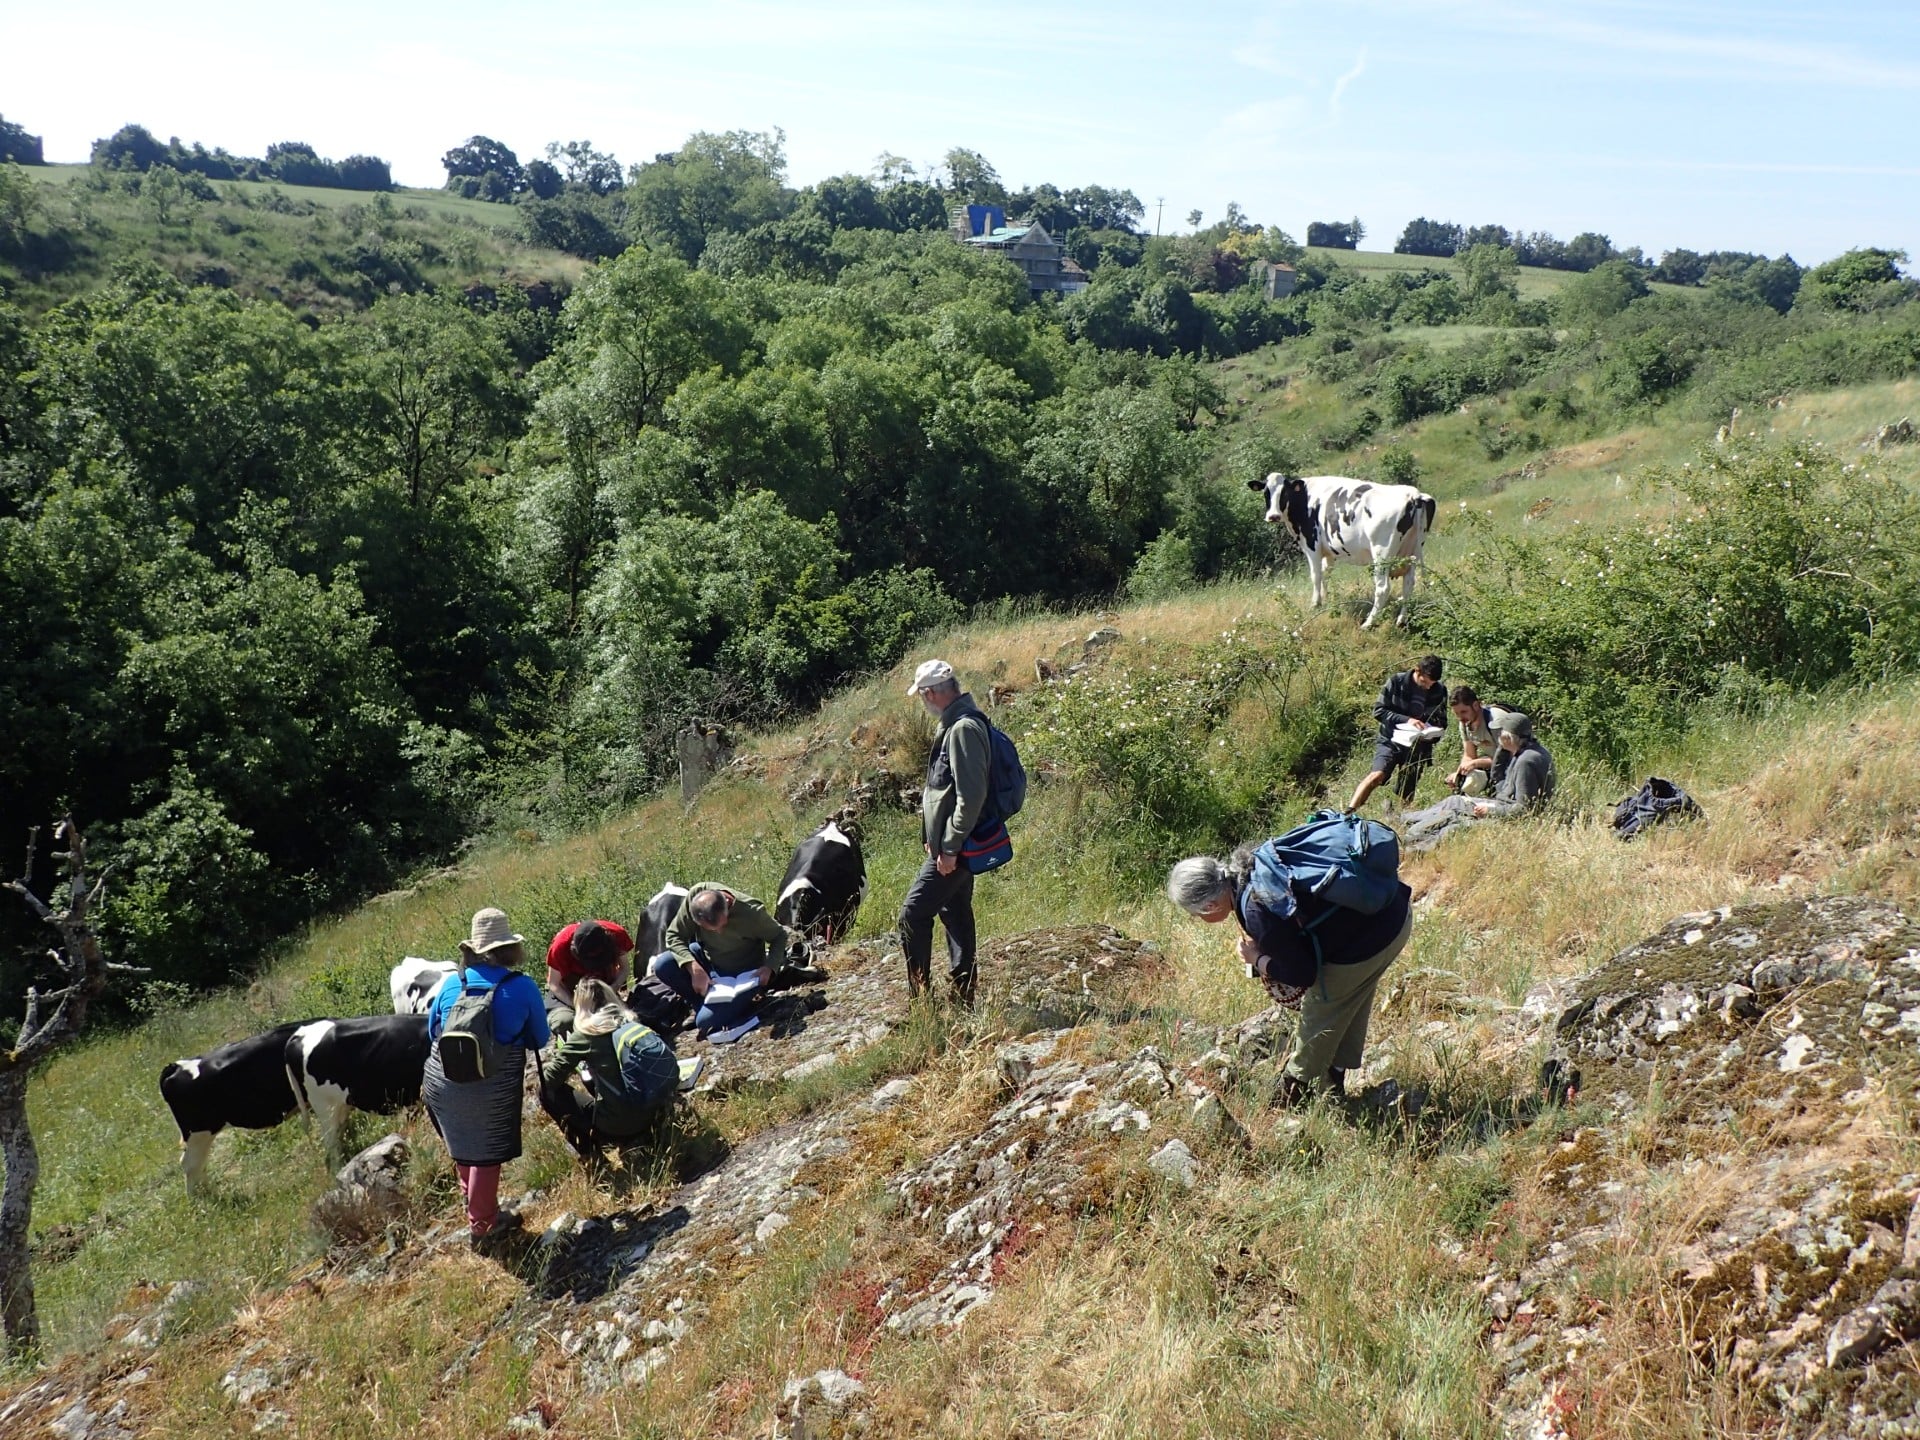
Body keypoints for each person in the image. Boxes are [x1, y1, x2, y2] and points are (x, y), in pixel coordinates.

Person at [1166, 846, 1412, 1106]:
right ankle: (1335, 1077)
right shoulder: (1252, 864)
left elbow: (1303, 974)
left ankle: (1296, 1093)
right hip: (1391, 907)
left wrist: (1257, 960)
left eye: (1194, 914)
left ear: (1210, 905)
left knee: (1322, 1008)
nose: (1196, 919)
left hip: (1376, 935)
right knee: (1349, 995)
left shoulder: (1254, 910)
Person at [421, 907, 550, 1243]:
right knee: (486, 1154)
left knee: (463, 1144)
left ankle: (476, 1205)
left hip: (440, 1078)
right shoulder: (521, 986)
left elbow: (432, 1031)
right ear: (509, 949)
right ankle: (483, 1228)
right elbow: (540, 1038)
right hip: (491, 1084)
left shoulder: (452, 983)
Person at [898, 658, 992, 1005]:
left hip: (961, 845)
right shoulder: (954, 723)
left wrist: (949, 847)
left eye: (922, 695)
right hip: (955, 843)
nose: (922, 702)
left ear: (932, 693)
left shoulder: (962, 729)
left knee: (912, 914)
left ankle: (921, 1002)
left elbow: (971, 796)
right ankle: (963, 995)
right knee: (954, 910)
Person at [539, 979, 703, 1154]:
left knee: (544, 1092)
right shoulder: (629, 1020)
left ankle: (591, 1156)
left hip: (620, 1127)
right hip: (654, 1111)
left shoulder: (585, 1035)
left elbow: (548, 1080)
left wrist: (563, 1055)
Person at [646, 883, 798, 1042]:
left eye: (723, 925)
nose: (718, 932)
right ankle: (703, 1004)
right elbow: (674, 936)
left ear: (727, 904)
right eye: (709, 929)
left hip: (744, 975)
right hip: (708, 959)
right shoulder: (695, 896)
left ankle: (725, 1010)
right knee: (663, 964)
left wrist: (769, 967)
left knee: (705, 1022)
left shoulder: (752, 913)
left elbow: (779, 936)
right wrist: (694, 968)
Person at [1402, 711, 1557, 850]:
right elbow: (1501, 782)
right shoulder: (1523, 750)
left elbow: (1525, 810)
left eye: (1501, 733)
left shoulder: (1526, 762)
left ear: (1510, 737)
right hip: (1503, 804)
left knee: (1455, 821)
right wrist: (1502, 750)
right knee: (1454, 801)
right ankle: (1404, 820)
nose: (1498, 736)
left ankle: (1418, 846)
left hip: (1508, 817)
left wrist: (1490, 810)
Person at [1348, 655, 1448, 812]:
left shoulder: (1440, 690)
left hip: (1418, 746)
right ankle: (1349, 811)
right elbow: (1379, 711)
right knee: (1377, 775)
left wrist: (1432, 731)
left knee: (1408, 789)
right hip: (1390, 740)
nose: (1428, 687)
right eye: (1424, 682)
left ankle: (1402, 819)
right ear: (1417, 671)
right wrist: (1406, 720)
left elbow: (1442, 720)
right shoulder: (1396, 682)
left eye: (1431, 684)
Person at [543, 919, 636, 1036]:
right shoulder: (560, 946)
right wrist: (578, 1006)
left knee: (622, 1017)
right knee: (564, 1022)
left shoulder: (617, 934)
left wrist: (611, 990)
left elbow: (624, 969)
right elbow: (554, 984)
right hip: (567, 993)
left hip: (604, 988)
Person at [1440, 686, 1518, 799]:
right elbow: (1469, 755)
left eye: (1464, 712)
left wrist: (1476, 763)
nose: (1460, 717)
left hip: (1516, 766)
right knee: (1462, 788)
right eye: (1456, 714)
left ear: (1476, 705)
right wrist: (1459, 775)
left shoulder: (1496, 721)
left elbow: (1510, 758)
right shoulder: (1465, 723)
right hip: (1495, 763)